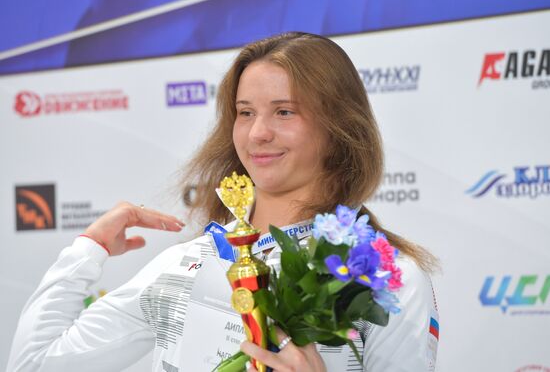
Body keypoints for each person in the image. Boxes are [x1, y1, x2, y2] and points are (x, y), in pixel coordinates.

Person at [7, 32, 439, 372]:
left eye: (284, 112)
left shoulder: (387, 274)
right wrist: (86, 251)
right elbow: (35, 364)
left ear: (339, 126)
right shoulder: (185, 264)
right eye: (245, 112)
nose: (257, 134)